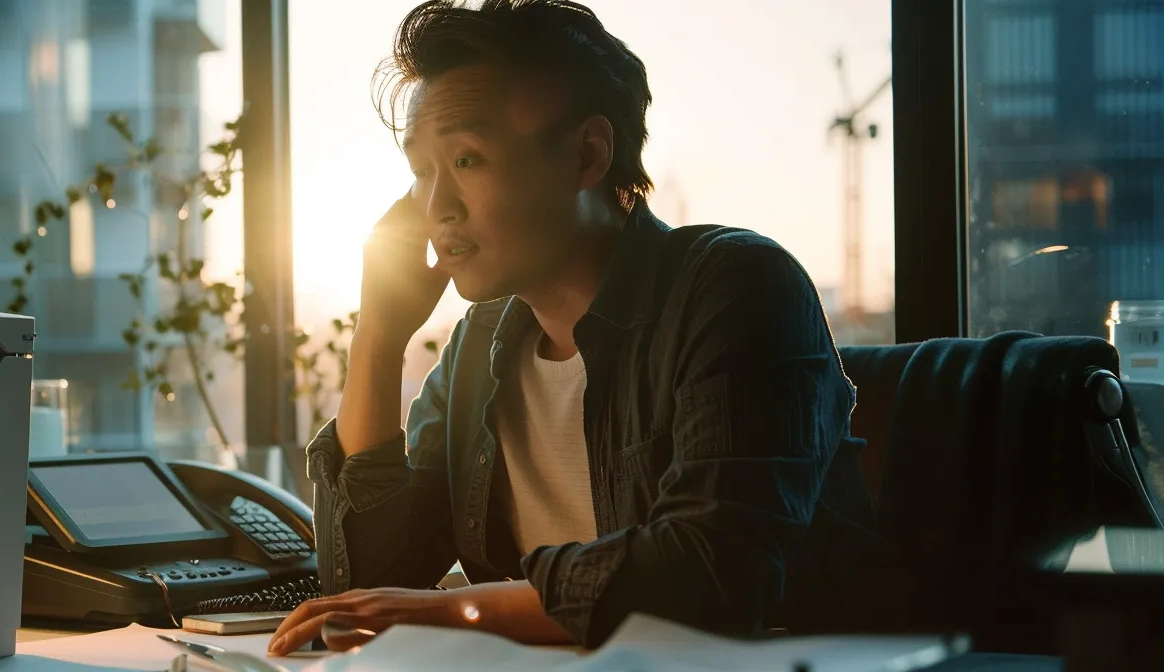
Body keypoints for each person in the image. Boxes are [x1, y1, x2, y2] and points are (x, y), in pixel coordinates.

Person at [266, 0, 890, 656]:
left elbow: (712, 573)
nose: (436, 207)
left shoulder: (737, 286)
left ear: (588, 154)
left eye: (467, 161)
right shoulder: (479, 347)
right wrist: (379, 337)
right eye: (422, 171)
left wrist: (459, 610)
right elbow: (360, 589)